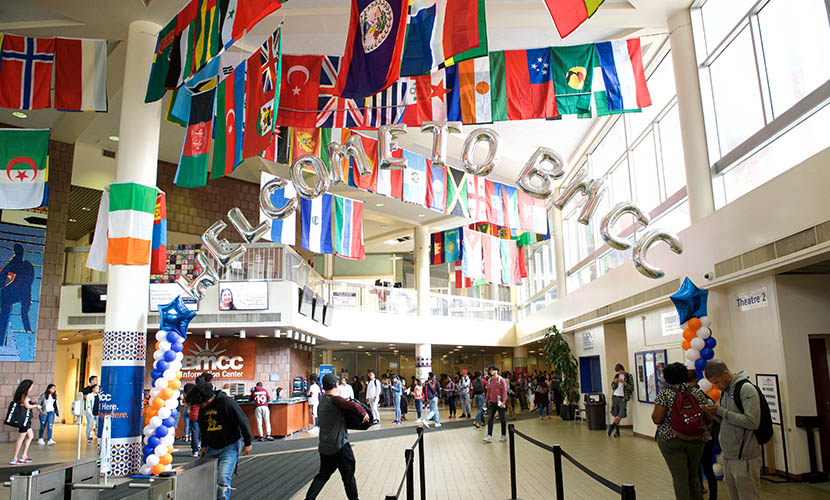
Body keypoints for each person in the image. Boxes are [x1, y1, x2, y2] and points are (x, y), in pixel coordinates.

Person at [652, 362, 712, 500]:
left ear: (667, 378)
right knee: (693, 476)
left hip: (672, 439)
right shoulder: (697, 393)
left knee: (680, 478)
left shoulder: (664, 394)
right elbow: (707, 418)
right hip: (697, 439)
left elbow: (657, 418)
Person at [703, 360, 761, 500]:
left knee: (748, 495)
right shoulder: (726, 392)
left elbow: (752, 422)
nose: (717, 387)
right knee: (734, 495)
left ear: (725, 374)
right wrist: (715, 414)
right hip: (729, 455)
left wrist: (721, 411)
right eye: (714, 384)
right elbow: (728, 420)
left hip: (744, 456)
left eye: (717, 382)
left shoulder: (746, 389)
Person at [304, 373, 368, 500]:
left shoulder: (323, 402)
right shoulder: (336, 400)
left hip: (325, 447)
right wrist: (364, 413)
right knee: (348, 477)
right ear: (335, 385)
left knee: (322, 475)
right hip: (340, 447)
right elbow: (355, 405)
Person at [186, 382, 252, 500]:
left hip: (230, 446)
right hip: (211, 446)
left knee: (223, 477)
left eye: (200, 403)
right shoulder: (203, 408)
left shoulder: (227, 403)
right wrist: (204, 445)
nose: (200, 406)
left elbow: (243, 420)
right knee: (208, 477)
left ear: (206, 399)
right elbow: (203, 428)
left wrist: (248, 442)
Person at [687, 371, 718, 500]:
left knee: (695, 469)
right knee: (708, 469)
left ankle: (699, 491)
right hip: (706, 437)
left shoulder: (684, 396)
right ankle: (713, 495)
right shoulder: (703, 396)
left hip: (691, 438)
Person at [0, 244, 35, 346]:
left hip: (10, 294)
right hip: (21, 294)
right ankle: (27, 329)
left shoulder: (15, 263)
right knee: (23, 313)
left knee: (4, 315)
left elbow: (5, 278)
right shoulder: (26, 265)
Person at [9, 379, 40, 464]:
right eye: (31, 387)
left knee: (30, 436)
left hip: (26, 420)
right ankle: (14, 458)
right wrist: (36, 405)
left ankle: (24, 455)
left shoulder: (21, 395)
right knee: (21, 438)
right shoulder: (24, 396)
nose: (31, 388)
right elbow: (27, 406)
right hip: (24, 421)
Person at [608, 363, 634, 438]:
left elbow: (631, 388)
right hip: (615, 396)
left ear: (622, 369)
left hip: (623, 397)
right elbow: (613, 387)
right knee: (616, 414)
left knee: (621, 414)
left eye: (620, 371)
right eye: (618, 372)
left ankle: (612, 426)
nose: (619, 373)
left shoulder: (628, 376)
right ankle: (617, 432)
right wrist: (615, 382)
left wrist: (624, 383)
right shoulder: (616, 376)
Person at [483, 365, 508, 443]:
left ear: (497, 370)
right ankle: (489, 436)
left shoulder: (501, 380)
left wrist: (503, 402)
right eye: (490, 370)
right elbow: (488, 392)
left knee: (502, 419)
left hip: (500, 403)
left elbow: (504, 392)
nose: (491, 371)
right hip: (492, 402)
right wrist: (485, 402)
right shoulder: (490, 380)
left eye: (492, 370)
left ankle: (503, 435)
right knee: (490, 419)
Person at [183, 383, 200, 457]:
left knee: (194, 432)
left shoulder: (188, 397)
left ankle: (195, 451)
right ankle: (200, 446)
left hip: (192, 415)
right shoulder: (198, 396)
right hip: (200, 415)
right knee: (201, 432)